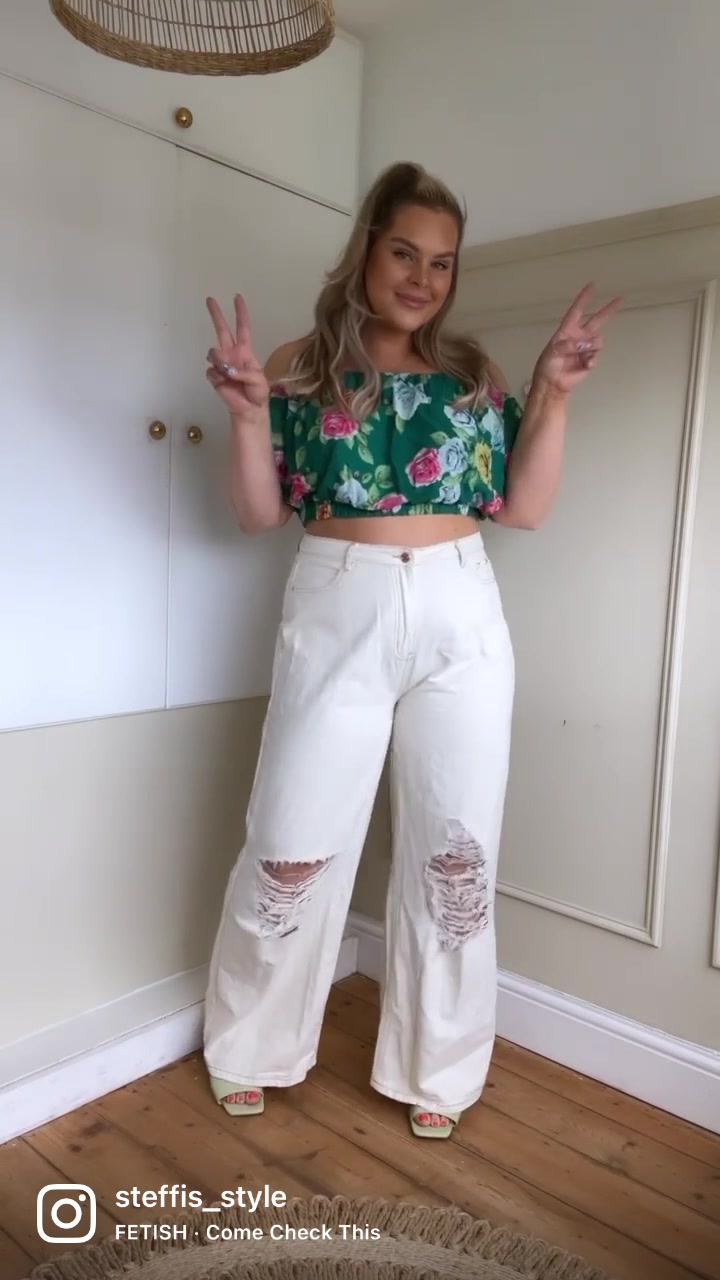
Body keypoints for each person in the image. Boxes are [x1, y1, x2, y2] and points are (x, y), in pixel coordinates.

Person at [201, 161, 620, 1139]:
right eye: (404, 252)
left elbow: (525, 508)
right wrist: (248, 414)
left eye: (442, 261)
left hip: (460, 610)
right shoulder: (302, 367)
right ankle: (252, 1045)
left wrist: (553, 394)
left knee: (454, 853)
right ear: (366, 251)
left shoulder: (472, 374)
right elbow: (258, 514)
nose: (423, 277)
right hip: (336, 603)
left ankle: (441, 1068)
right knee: (290, 840)